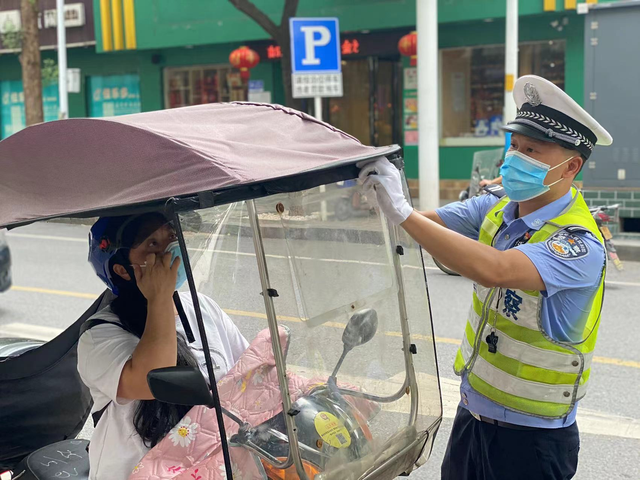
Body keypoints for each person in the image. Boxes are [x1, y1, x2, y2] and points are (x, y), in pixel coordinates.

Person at [359, 75, 612, 480]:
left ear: (571, 166)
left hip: (532, 441)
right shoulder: (500, 207)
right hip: (472, 416)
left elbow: (494, 270)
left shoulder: (578, 243)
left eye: (532, 150)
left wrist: (402, 211)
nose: (515, 157)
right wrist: (389, 203)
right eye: (514, 146)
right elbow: (429, 224)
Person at [77, 213, 249, 480]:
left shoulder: (201, 307)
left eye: (172, 237)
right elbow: (152, 380)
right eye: (153, 245)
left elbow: (248, 375)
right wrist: (159, 297)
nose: (171, 250)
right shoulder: (98, 336)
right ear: (123, 269)